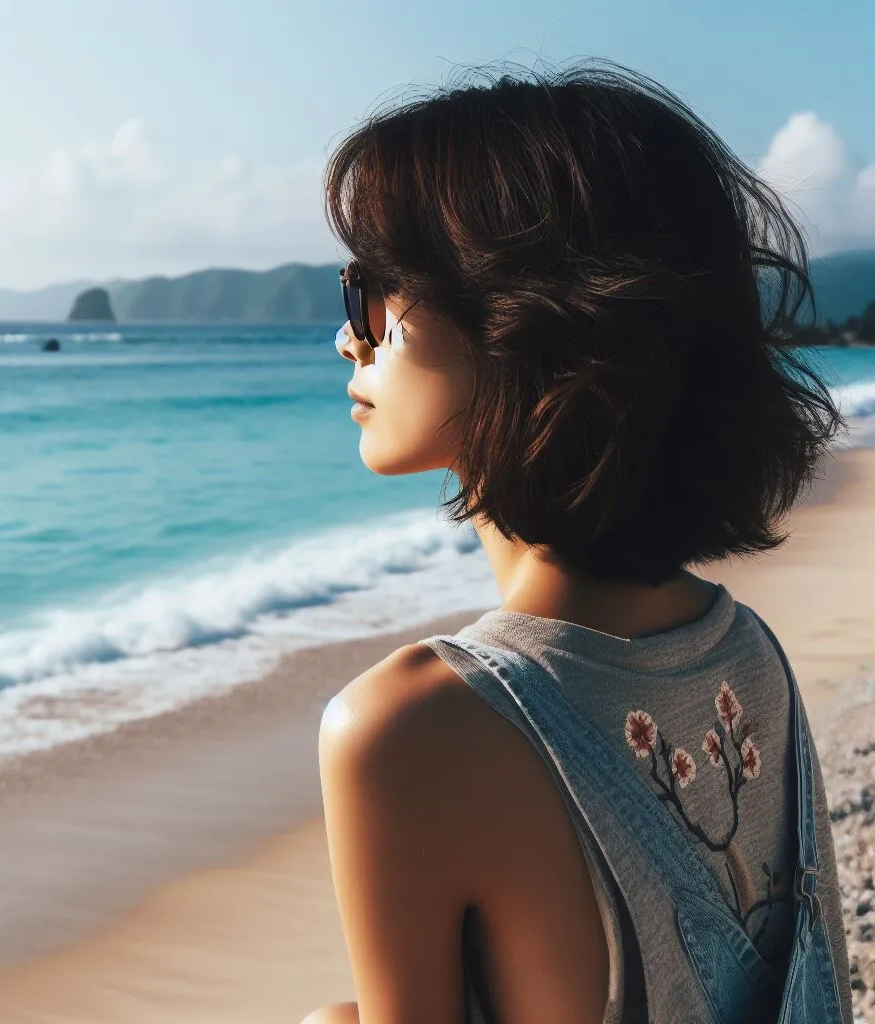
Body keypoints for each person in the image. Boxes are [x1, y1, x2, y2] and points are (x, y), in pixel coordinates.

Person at [302, 59, 852, 1023]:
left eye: (377, 289)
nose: (351, 337)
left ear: (522, 317)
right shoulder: (748, 653)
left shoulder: (408, 731)